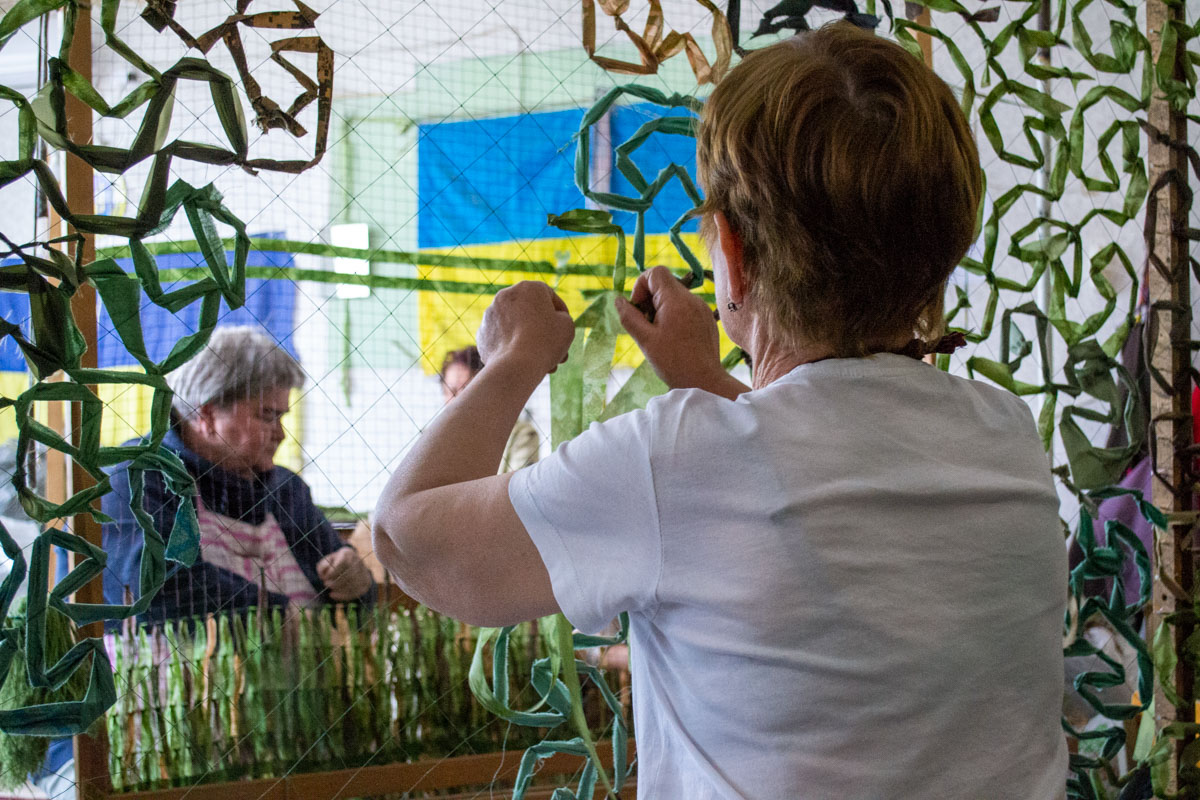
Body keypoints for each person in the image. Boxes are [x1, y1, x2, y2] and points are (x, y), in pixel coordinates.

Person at [374, 23, 1066, 799]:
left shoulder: (677, 460)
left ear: (731, 252)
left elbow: (409, 542)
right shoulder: (1004, 435)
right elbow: (830, 479)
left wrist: (513, 360)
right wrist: (706, 379)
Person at [102, 325, 374, 624]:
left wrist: (358, 583)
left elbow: (351, 591)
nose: (281, 435)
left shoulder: (286, 490)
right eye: (267, 416)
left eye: (282, 417)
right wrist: (286, 617)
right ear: (207, 415)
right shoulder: (143, 477)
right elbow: (162, 590)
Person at [440, 345, 540, 472]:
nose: (458, 399)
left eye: (467, 389)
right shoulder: (433, 440)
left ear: (486, 390)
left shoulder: (521, 435)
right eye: (451, 391)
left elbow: (516, 490)